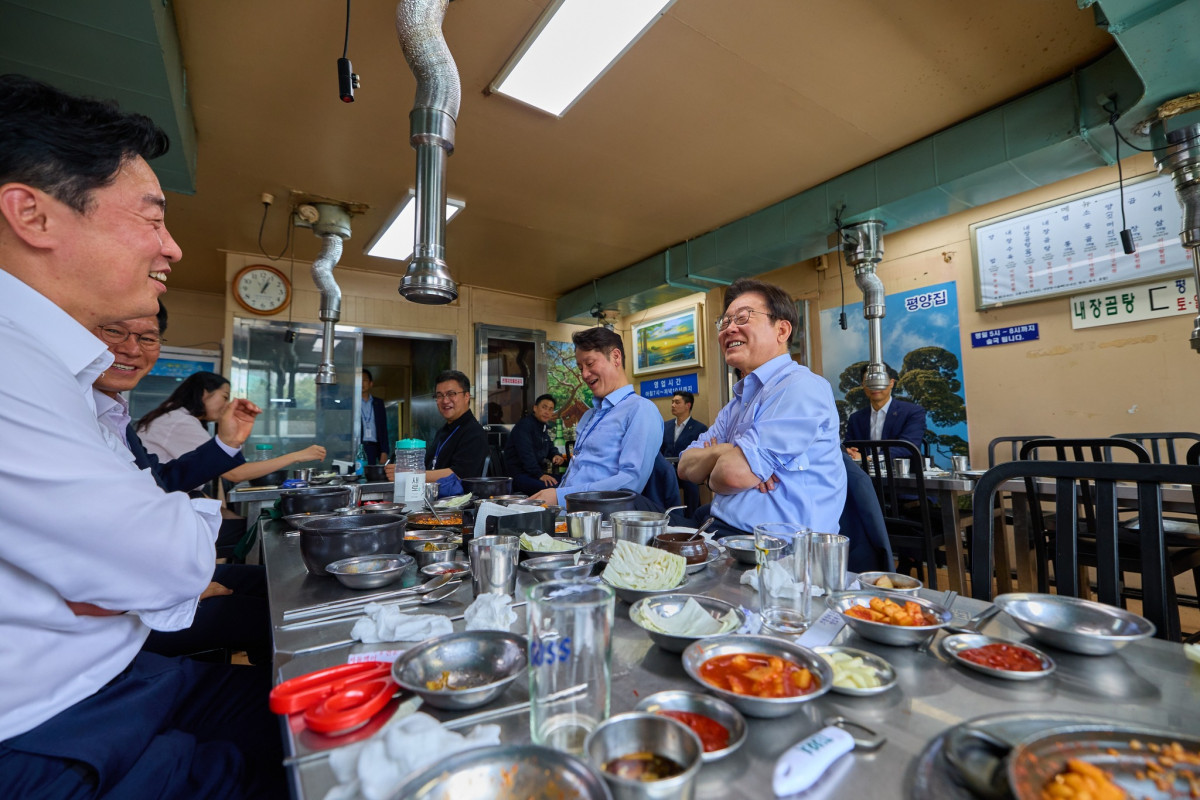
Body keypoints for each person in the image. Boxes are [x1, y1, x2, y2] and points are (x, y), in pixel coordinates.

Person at [0, 73, 284, 797]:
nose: (172, 249)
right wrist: (148, 557)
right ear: (31, 214)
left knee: (326, 716)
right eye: (152, 218)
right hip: (48, 731)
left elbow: (142, 543)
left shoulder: (57, 371)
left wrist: (129, 566)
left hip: (122, 674)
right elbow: (159, 557)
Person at [92, 303, 271, 665]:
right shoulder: (72, 413)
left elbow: (164, 481)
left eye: (147, 338)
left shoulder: (117, 415)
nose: (131, 348)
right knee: (268, 615)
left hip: (152, 567)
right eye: (114, 332)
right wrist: (173, 588)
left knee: (271, 585)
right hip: (119, 598)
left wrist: (227, 443)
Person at [677, 278, 846, 537]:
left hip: (781, 549)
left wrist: (714, 471)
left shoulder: (800, 387)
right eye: (724, 322)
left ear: (782, 331)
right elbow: (685, 466)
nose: (729, 328)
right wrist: (727, 451)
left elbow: (730, 475)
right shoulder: (736, 404)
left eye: (743, 318)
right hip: (723, 531)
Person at [529, 328, 662, 508]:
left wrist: (563, 497)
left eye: (590, 364)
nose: (584, 374)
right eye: (580, 367)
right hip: (566, 512)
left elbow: (630, 482)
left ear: (616, 357)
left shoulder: (640, 410)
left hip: (601, 519)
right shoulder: (589, 415)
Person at [137, 370, 326, 488]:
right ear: (205, 393)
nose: (226, 404)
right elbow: (235, 473)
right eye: (225, 397)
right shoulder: (180, 422)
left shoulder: (177, 417)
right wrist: (297, 456)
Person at [843, 363, 927, 456]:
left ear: (891, 383)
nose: (875, 386)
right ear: (863, 385)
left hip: (902, 469)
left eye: (879, 381)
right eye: (869, 381)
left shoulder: (913, 412)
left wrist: (870, 459)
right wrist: (850, 452)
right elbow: (848, 446)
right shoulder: (856, 418)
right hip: (862, 470)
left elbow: (908, 447)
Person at [425, 370, 488, 481]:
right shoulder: (442, 431)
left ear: (466, 396)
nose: (445, 400)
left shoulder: (474, 432)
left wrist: (412, 476)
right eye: (439, 396)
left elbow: (460, 474)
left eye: (451, 394)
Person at [505, 393, 566, 495]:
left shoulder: (542, 427)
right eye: (544, 407)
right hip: (519, 476)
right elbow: (526, 454)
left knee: (566, 482)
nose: (547, 412)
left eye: (551, 409)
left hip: (533, 474)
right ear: (535, 408)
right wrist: (540, 475)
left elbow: (549, 445)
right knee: (556, 488)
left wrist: (555, 455)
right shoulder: (525, 426)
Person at [660, 390, 708, 514]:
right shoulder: (665, 426)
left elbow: (701, 453)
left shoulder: (699, 428)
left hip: (687, 470)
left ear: (688, 405)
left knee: (691, 484)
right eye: (672, 402)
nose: (673, 405)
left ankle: (692, 516)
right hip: (668, 469)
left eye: (677, 402)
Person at [360, 368, 389, 465]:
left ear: (371, 383)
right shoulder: (351, 403)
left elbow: (383, 428)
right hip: (358, 446)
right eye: (359, 380)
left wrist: (384, 451)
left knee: (372, 476)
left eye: (364, 380)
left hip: (374, 447)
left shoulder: (378, 403)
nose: (362, 383)